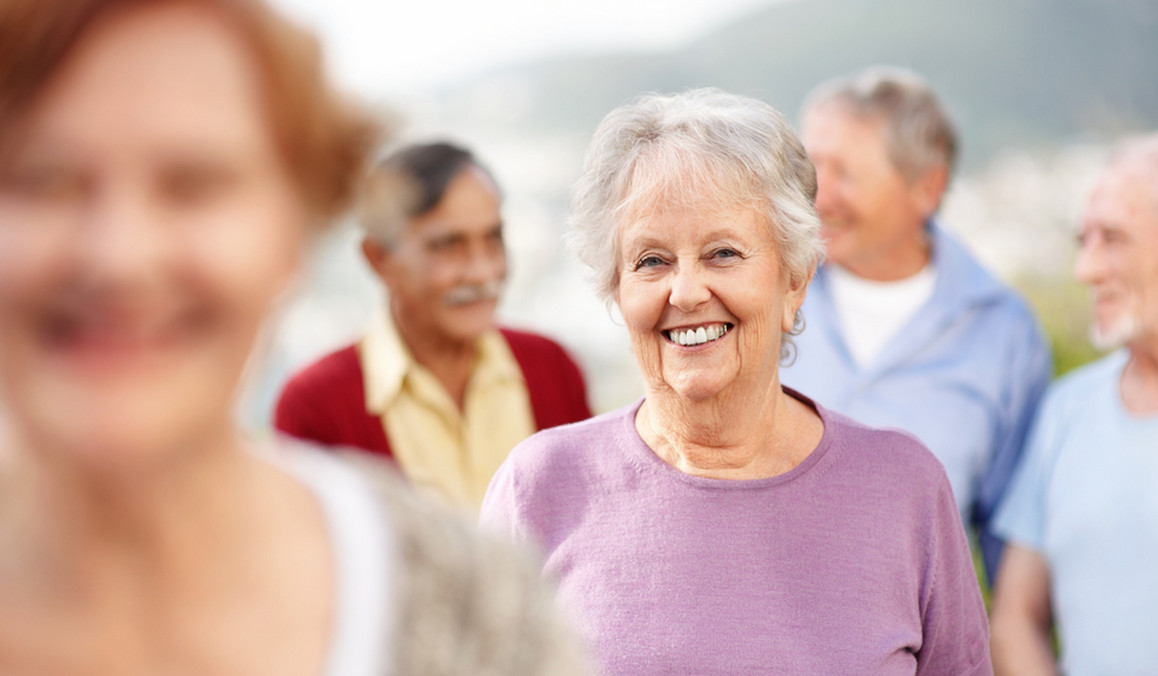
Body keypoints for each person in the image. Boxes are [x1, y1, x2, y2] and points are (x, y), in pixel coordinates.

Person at [0, 1, 586, 673]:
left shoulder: (478, 613)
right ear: (378, 260)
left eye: (193, 185)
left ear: (295, 231)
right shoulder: (322, 397)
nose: (120, 257)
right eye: (43, 179)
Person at [481, 88, 992, 675]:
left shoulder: (904, 488)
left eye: (723, 253)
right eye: (651, 261)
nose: (687, 291)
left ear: (794, 281)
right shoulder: (539, 489)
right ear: (617, 290)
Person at [778, 66, 1051, 579]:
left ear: (928, 187)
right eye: (811, 171)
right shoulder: (761, 291)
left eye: (847, 174)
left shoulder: (1003, 331)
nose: (819, 197)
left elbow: (1011, 541)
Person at [274, 141, 591, 509]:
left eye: (493, 240)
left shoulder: (553, 370)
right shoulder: (316, 406)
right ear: (379, 259)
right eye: (448, 246)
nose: (482, 271)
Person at [990, 129, 1158, 676]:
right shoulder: (1069, 409)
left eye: (1114, 239)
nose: (1086, 270)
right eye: (1083, 241)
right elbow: (1015, 618)